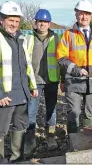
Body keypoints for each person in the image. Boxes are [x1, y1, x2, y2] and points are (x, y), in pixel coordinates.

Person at [56, 0, 92, 133]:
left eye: (87, 14)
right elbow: (61, 57)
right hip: (74, 81)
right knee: (74, 113)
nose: (84, 17)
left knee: (90, 114)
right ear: (76, 14)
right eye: (81, 14)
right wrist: (75, 69)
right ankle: (73, 143)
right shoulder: (68, 34)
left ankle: (87, 144)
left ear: (91, 16)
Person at [0, 1, 37, 162]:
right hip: (5, 96)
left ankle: (17, 159)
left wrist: (32, 85)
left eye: (17, 21)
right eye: (11, 20)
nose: (14, 24)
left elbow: (27, 65)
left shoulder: (20, 38)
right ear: (2, 19)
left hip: (22, 93)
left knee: (21, 127)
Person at [23, 9, 61, 156]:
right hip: (35, 81)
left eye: (45, 22)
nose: (42, 24)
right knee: (31, 111)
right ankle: (30, 141)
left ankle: (50, 136)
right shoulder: (28, 38)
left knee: (51, 109)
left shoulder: (56, 38)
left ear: (49, 23)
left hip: (52, 80)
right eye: (40, 22)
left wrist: (62, 80)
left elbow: (61, 60)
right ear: (36, 22)